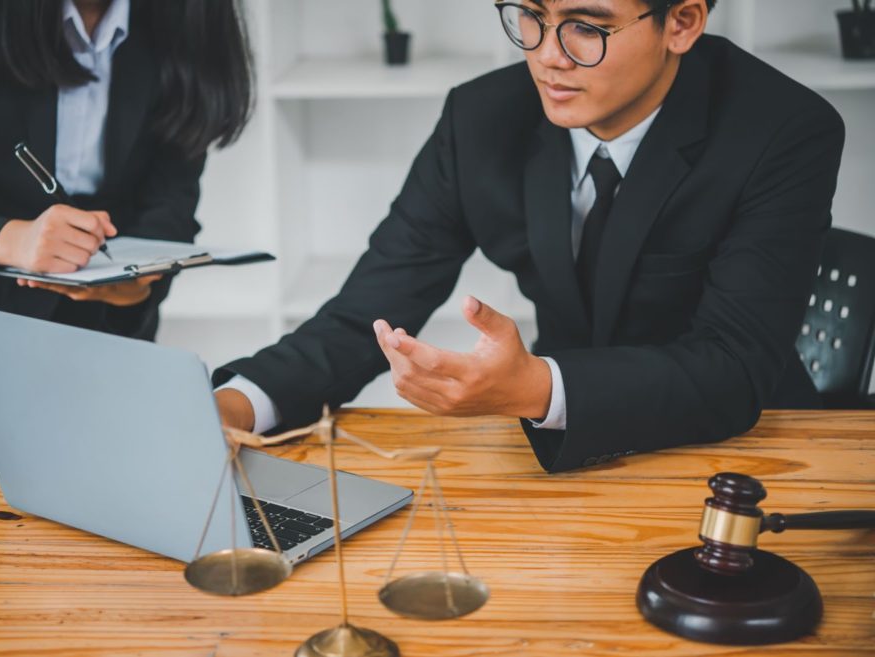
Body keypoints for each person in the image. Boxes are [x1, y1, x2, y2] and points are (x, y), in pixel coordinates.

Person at [214, 0, 845, 472]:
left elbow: (733, 366)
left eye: (587, 27)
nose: (547, 54)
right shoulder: (480, 119)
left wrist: (537, 388)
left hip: (747, 451)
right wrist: (238, 406)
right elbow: (366, 314)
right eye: (531, 16)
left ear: (680, 23)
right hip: (563, 452)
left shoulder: (783, 130)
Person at [0, 0, 253, 513]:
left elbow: (171, 200)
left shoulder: (182, 17)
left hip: (107, 333)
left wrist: (141, 279)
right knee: (9, 543)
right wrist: (11, 239)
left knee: (110, 529)